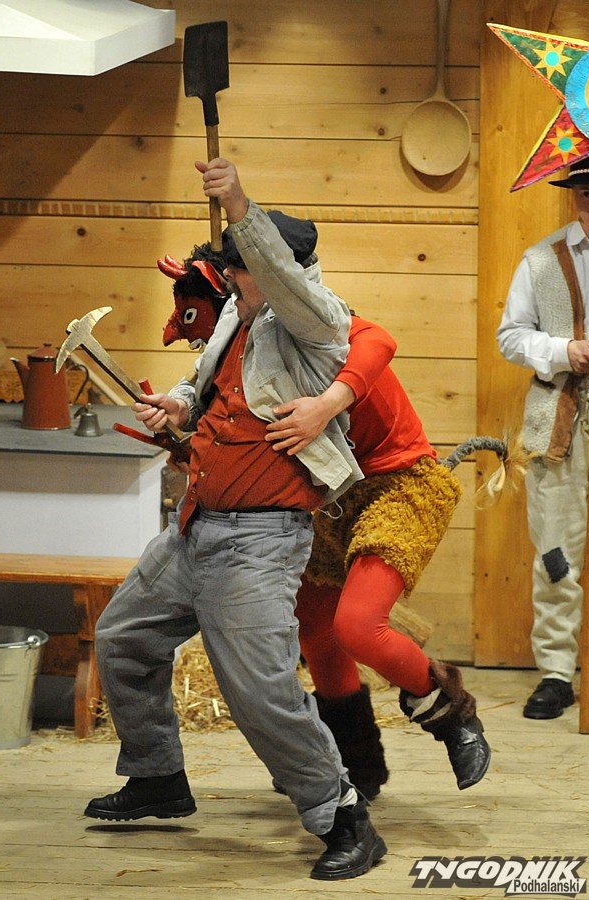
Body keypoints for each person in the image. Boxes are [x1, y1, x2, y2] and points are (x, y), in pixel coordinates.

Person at [85, 157, 387, 882]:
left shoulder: (316, 319)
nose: (231, 277)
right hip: (196, 526)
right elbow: (207, 383)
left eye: (242, 266)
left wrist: (241, 205)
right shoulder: (236, 314)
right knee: (123, 638)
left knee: (260, 692)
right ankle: (157, 777)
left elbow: (284, 280)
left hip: (260, 540)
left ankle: (342, 815)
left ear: (281, 270)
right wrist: (178, 404)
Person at [156, 249, 495, 801]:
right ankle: (356, 765)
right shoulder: (234, 350)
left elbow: (377, 339)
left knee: (358, 625)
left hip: (396, 483)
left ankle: (452, 714)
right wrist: (182, 434)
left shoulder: (312, 324)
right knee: (315, 629)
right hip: (325, 496)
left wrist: (329, 402)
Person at [497, 155, 589, 720]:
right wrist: (562, 351)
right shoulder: (540, 260)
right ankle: (557, 673)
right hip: (559, 417)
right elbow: (511, 336)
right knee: (555, 549)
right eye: (585, 190)